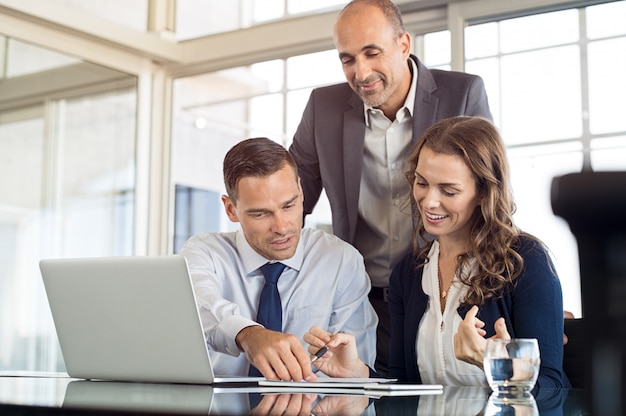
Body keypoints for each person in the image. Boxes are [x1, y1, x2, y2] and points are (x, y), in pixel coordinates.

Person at [289, 0, 492, 374]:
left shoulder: (461, 95)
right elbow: (290, 201)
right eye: (347, 59)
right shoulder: (323, 107)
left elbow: (490, 196)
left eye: (372, 53)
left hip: (443, 295)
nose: (361, 72)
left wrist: (525, 297)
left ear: (403, 45)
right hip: (359, 300)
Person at [304, 116, 570, 389]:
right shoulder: (407, 274)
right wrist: (358, 374)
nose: (429, 201)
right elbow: (405, 387)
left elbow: (552, 389)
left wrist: (490, 360)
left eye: (449, 190)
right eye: (422, 183)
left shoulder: (526, 262)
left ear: (483, 192)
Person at [180, 137, 377, 381]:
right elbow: (199, 305)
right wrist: (248, 334)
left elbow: (356, 369)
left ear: (301, 191)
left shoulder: (340, 261)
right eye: (260, 213)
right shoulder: (205, 252)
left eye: (289, 206)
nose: (282, 227)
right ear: (231, 209)